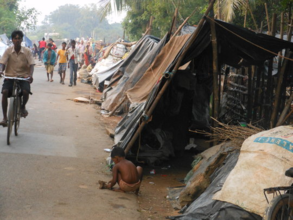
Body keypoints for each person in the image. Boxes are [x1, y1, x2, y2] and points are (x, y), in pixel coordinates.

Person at [0, 30, 35, 126]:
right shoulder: (8, 51)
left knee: (25, 91)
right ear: (12, 40)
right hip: (10, 76)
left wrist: (30, 75)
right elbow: (2, 63)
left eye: (19, 38)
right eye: (15, 38)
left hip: (23, 76)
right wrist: (1, 70)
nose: (17, 40)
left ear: (21, 40)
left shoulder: (27, 51)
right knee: (5, 92)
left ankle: (23, 107)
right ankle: (5, 118)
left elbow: (31, 64)